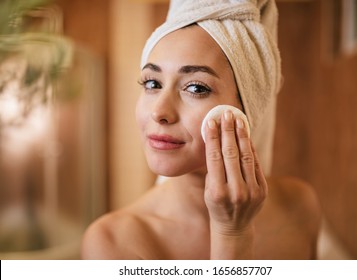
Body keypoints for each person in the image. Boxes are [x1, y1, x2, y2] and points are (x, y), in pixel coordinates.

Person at [81, 0, 321, 260]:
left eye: (196, 88)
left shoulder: (300, 207)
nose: (159, 112)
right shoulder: (112, 243)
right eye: (152, 83)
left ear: (248, 108)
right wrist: (232, 235)